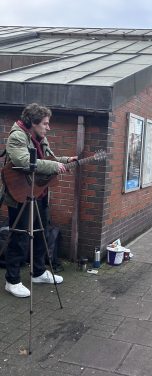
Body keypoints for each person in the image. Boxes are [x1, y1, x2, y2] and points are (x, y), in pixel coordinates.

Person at [0, 103, 77, 298]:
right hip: (20, 194)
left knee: (42, 233)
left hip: (39, 193)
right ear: (33, 122)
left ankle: (39, 272)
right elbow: (24, 161)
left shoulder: (40, 138)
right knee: (20, 236)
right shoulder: (17, 136)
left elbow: (49, 159)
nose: (48, 127)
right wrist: (54, 164)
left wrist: (67, 160)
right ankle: (12, 280)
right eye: (45, 123)